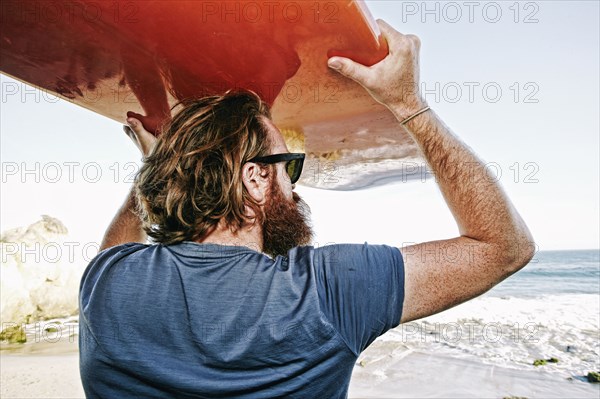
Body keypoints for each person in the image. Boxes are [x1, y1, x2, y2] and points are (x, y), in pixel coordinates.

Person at [79, 20, 534, 398]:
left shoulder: (109, 284)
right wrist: (408, 104)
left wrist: (159, 167)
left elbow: (114, 246)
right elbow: (504, 247)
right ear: (255, 179)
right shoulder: (328, 290)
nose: (295, 191)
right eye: (288, 167)